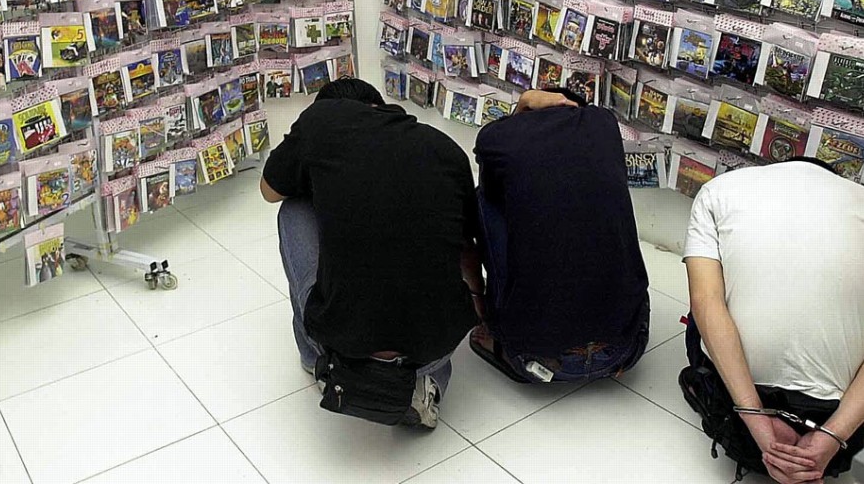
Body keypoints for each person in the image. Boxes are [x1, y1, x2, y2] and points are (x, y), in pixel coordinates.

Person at [260, 78, 478, 429]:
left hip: (346, 344)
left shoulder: (322, 119)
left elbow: (270, 190)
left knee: (293, 209)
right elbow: (466, 245)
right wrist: (481, 306)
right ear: (381, 106)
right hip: (437, 345)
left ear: (328, 106)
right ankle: (427, 383)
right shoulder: (446, 147)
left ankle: (317, 360)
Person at [680, 158, 864, 482]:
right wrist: (831, 437)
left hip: (746, 406)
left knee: (704, 308)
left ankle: (754, 433)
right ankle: (815, 454)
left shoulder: (717, 191)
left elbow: (705, 303)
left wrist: (758, 422)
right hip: (836, 418)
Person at [469, 88, 650, 384]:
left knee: (484, 198)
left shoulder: (497, 137)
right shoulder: (605, 123)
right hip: (627, 349)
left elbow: (495, 176)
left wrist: (524, 101)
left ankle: (496, 326)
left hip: (535, 359)